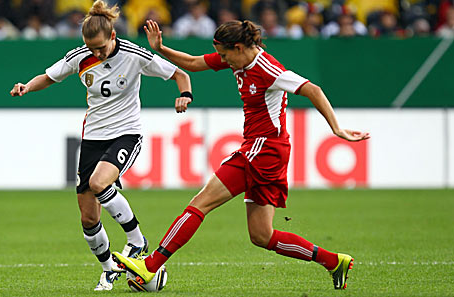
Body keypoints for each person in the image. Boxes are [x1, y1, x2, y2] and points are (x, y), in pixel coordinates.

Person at [111, 19, 370, 290]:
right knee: (262, 235)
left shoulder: (267, 67)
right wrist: (161, 48)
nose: (223, 61)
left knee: (201, 203)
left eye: (225, 55)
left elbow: (312, 89)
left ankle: (150, 265)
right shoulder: (238, 59)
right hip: (271, 151)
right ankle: (334, 261)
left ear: (238, 47)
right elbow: (193, 63)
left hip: (263, 149)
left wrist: (337, 128)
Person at [9, 0, 192, 291]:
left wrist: (185, 94)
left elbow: (180, 74)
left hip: (126, 134)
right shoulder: (80, 56)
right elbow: (49, 76)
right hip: (93, 137)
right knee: (88, 216)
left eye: (100, 48)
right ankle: (109, 269)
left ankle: (136, 239)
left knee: (99, 182)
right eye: (90, 47)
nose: (95, 53)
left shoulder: (134, 55)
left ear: (113, 37)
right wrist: (27, 86)